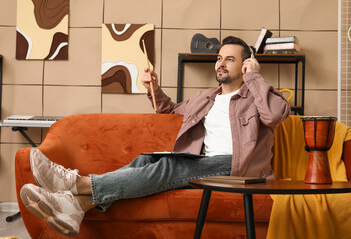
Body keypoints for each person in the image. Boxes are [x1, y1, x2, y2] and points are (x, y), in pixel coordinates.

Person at [20, 36, 290, 237]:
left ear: (245, 65)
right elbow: (169, 110)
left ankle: (73, 182)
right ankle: (75, 207)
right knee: (144, 160)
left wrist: (254, 77)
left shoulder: (257, 95)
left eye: (229, 59)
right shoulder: (207, 97)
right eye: (219, 58)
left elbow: (275, 116)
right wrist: (155, 87)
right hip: (209, 166)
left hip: (238, 168)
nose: (220, 63)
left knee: (170, 164)